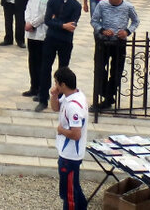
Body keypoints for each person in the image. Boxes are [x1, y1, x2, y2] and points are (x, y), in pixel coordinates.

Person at [89, 0, 140, 111]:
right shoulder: (102, 5)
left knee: (116, 72)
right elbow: (94, 21)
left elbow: (136, 21)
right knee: (100, 69)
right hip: (104, 42)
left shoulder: (128, 7)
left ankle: (109, 96)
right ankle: (105, 94)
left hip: (119, 43)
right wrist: (102, 30)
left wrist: (127, 32)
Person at [39, 0, 82, 111]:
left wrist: (57, 22)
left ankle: (62, 99)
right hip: (51, 38)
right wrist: (62, 25)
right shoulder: (53, 0)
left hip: (65, 41)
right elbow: (48, 20)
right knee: (45, 68)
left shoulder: (75, 5)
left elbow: (72, 25)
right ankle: (42, 98)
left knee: (63, 70)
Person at [49, 67, 88, 210]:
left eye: (56, 83)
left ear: (63, 84)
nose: (55, 85)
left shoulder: (74, 106)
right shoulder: (73, 95)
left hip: (70, 155)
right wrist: (54, 95)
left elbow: (76, 134)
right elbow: (56, 108)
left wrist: (61, 130)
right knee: (74, 187)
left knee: (69, 194)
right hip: (68, 153)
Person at [23, 0, 57, 107]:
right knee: (32, 61)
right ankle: (34, 86)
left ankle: (42, 90)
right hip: (31, 31)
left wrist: (34, 24)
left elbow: (45, 13)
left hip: (42, 32)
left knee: (43, 63)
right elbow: (29, 7)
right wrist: (27, 21)